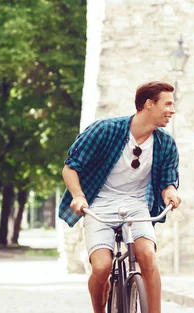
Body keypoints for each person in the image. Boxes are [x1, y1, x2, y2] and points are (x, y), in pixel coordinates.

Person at [58, 81, 182, 313]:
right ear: (148, 104)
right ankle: (99, 310)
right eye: (167, 104)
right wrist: (78, 196)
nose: (172, 110)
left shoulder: (165, 143)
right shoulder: (105, 130)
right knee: (102, 267)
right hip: (99, 205)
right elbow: (70, 167)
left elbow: (168, 180)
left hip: (136, 206)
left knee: (147, 255)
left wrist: (171, 192)